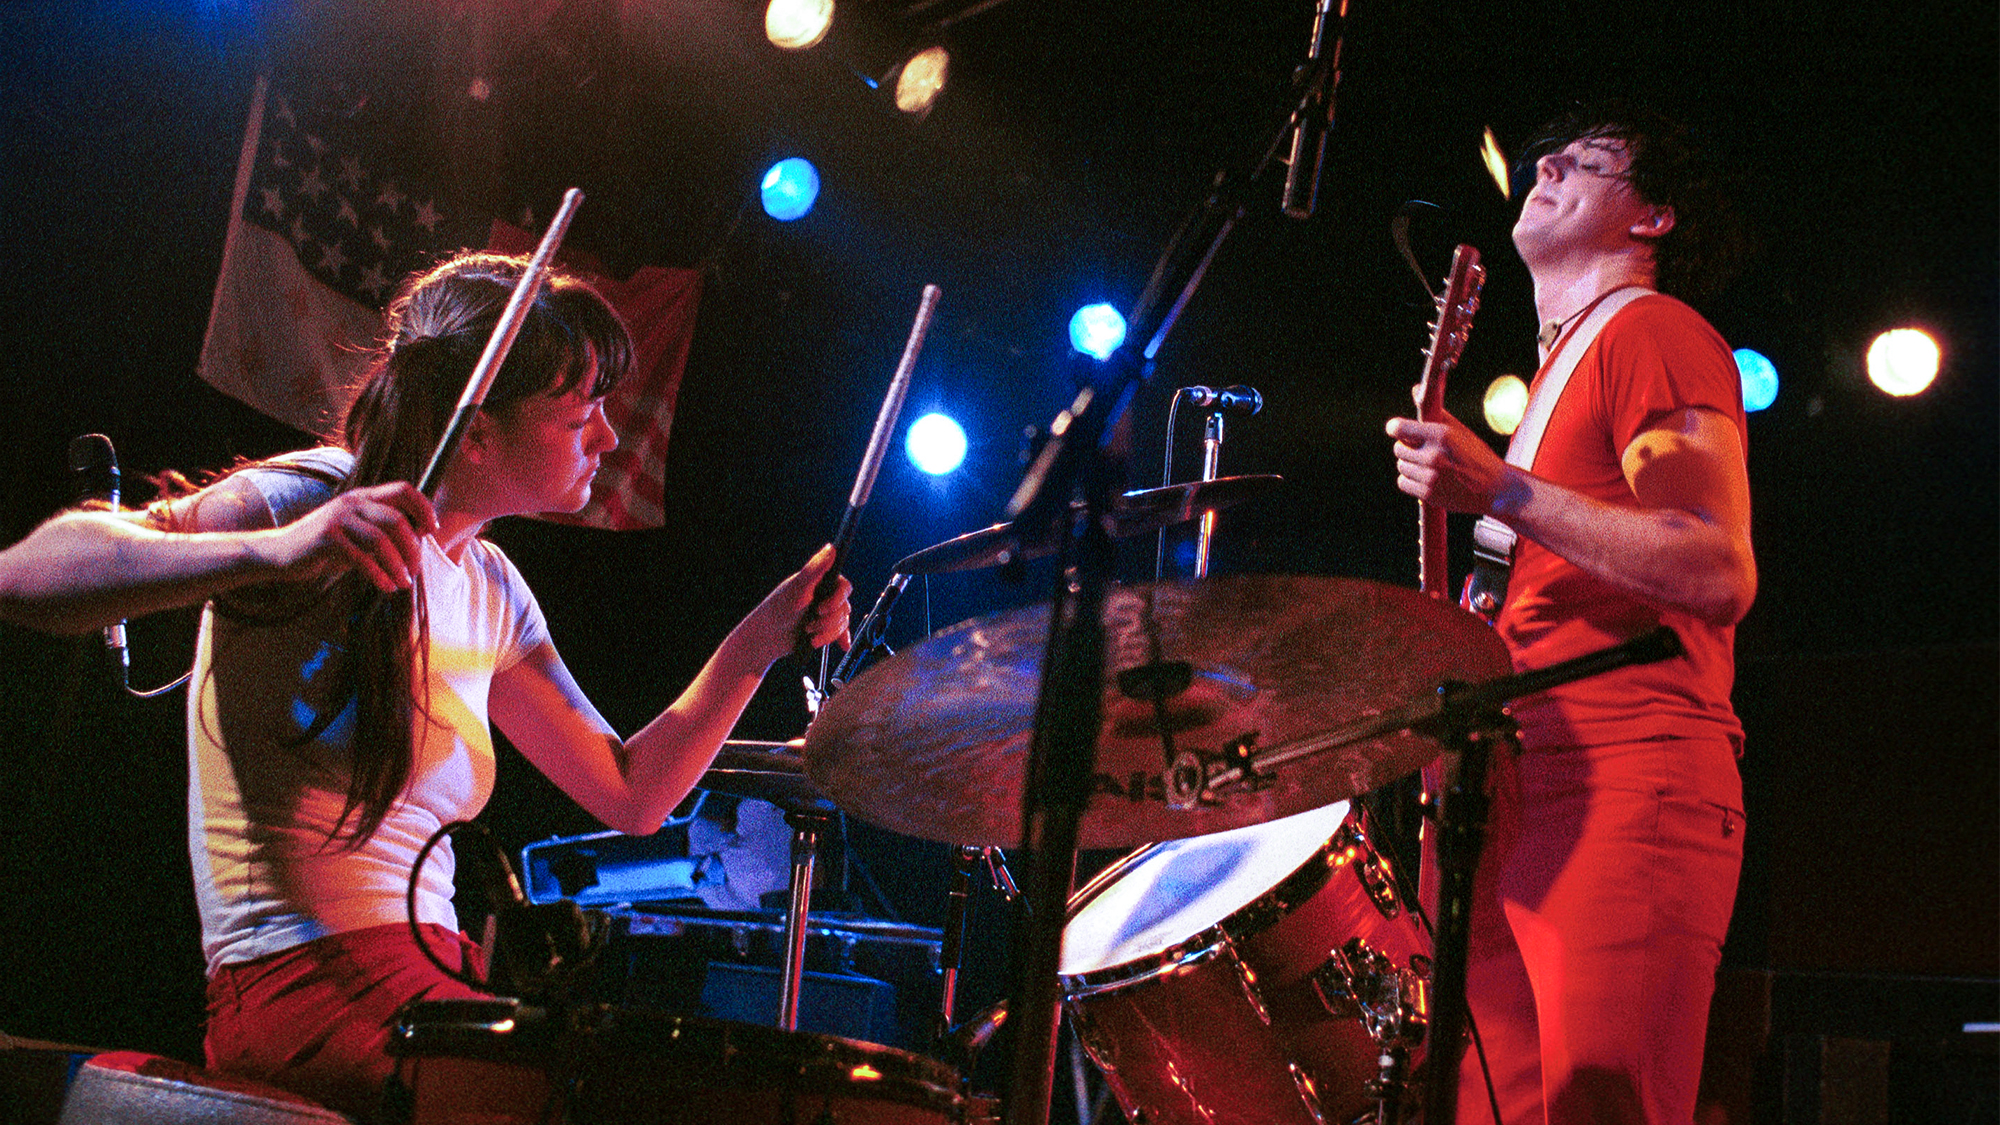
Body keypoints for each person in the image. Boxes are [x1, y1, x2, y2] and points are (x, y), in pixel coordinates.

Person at [0, 251, 852, 1121]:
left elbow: (631, 792)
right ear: (476, 433)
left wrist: (758, 645)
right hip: (301, 993)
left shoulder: (491, 584)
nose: (606, 437)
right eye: (580, 413)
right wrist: (278, 550)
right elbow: (25, 574)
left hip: (432, 985)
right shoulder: (315, 499)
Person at [1384, 103, 1755, 1124]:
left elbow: (1716, 565)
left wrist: (1499, 488)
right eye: (1547, 158)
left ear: (1653, 218)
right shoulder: (1563, 371)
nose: (1544, 166)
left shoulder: (1653, 332)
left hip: (1627, 782)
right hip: (1511, 798)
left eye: (1585, 164)